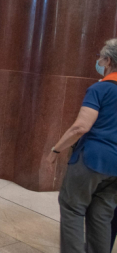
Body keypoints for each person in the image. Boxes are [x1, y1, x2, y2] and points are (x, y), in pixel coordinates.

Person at [47, 38, 117, 253]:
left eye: (100, 57)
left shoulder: (101, 89)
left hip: (92, 160)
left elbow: (81, 127)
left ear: (107, 60)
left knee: (72, 209)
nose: (98, 61)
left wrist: (55, 150)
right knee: (101, 216)